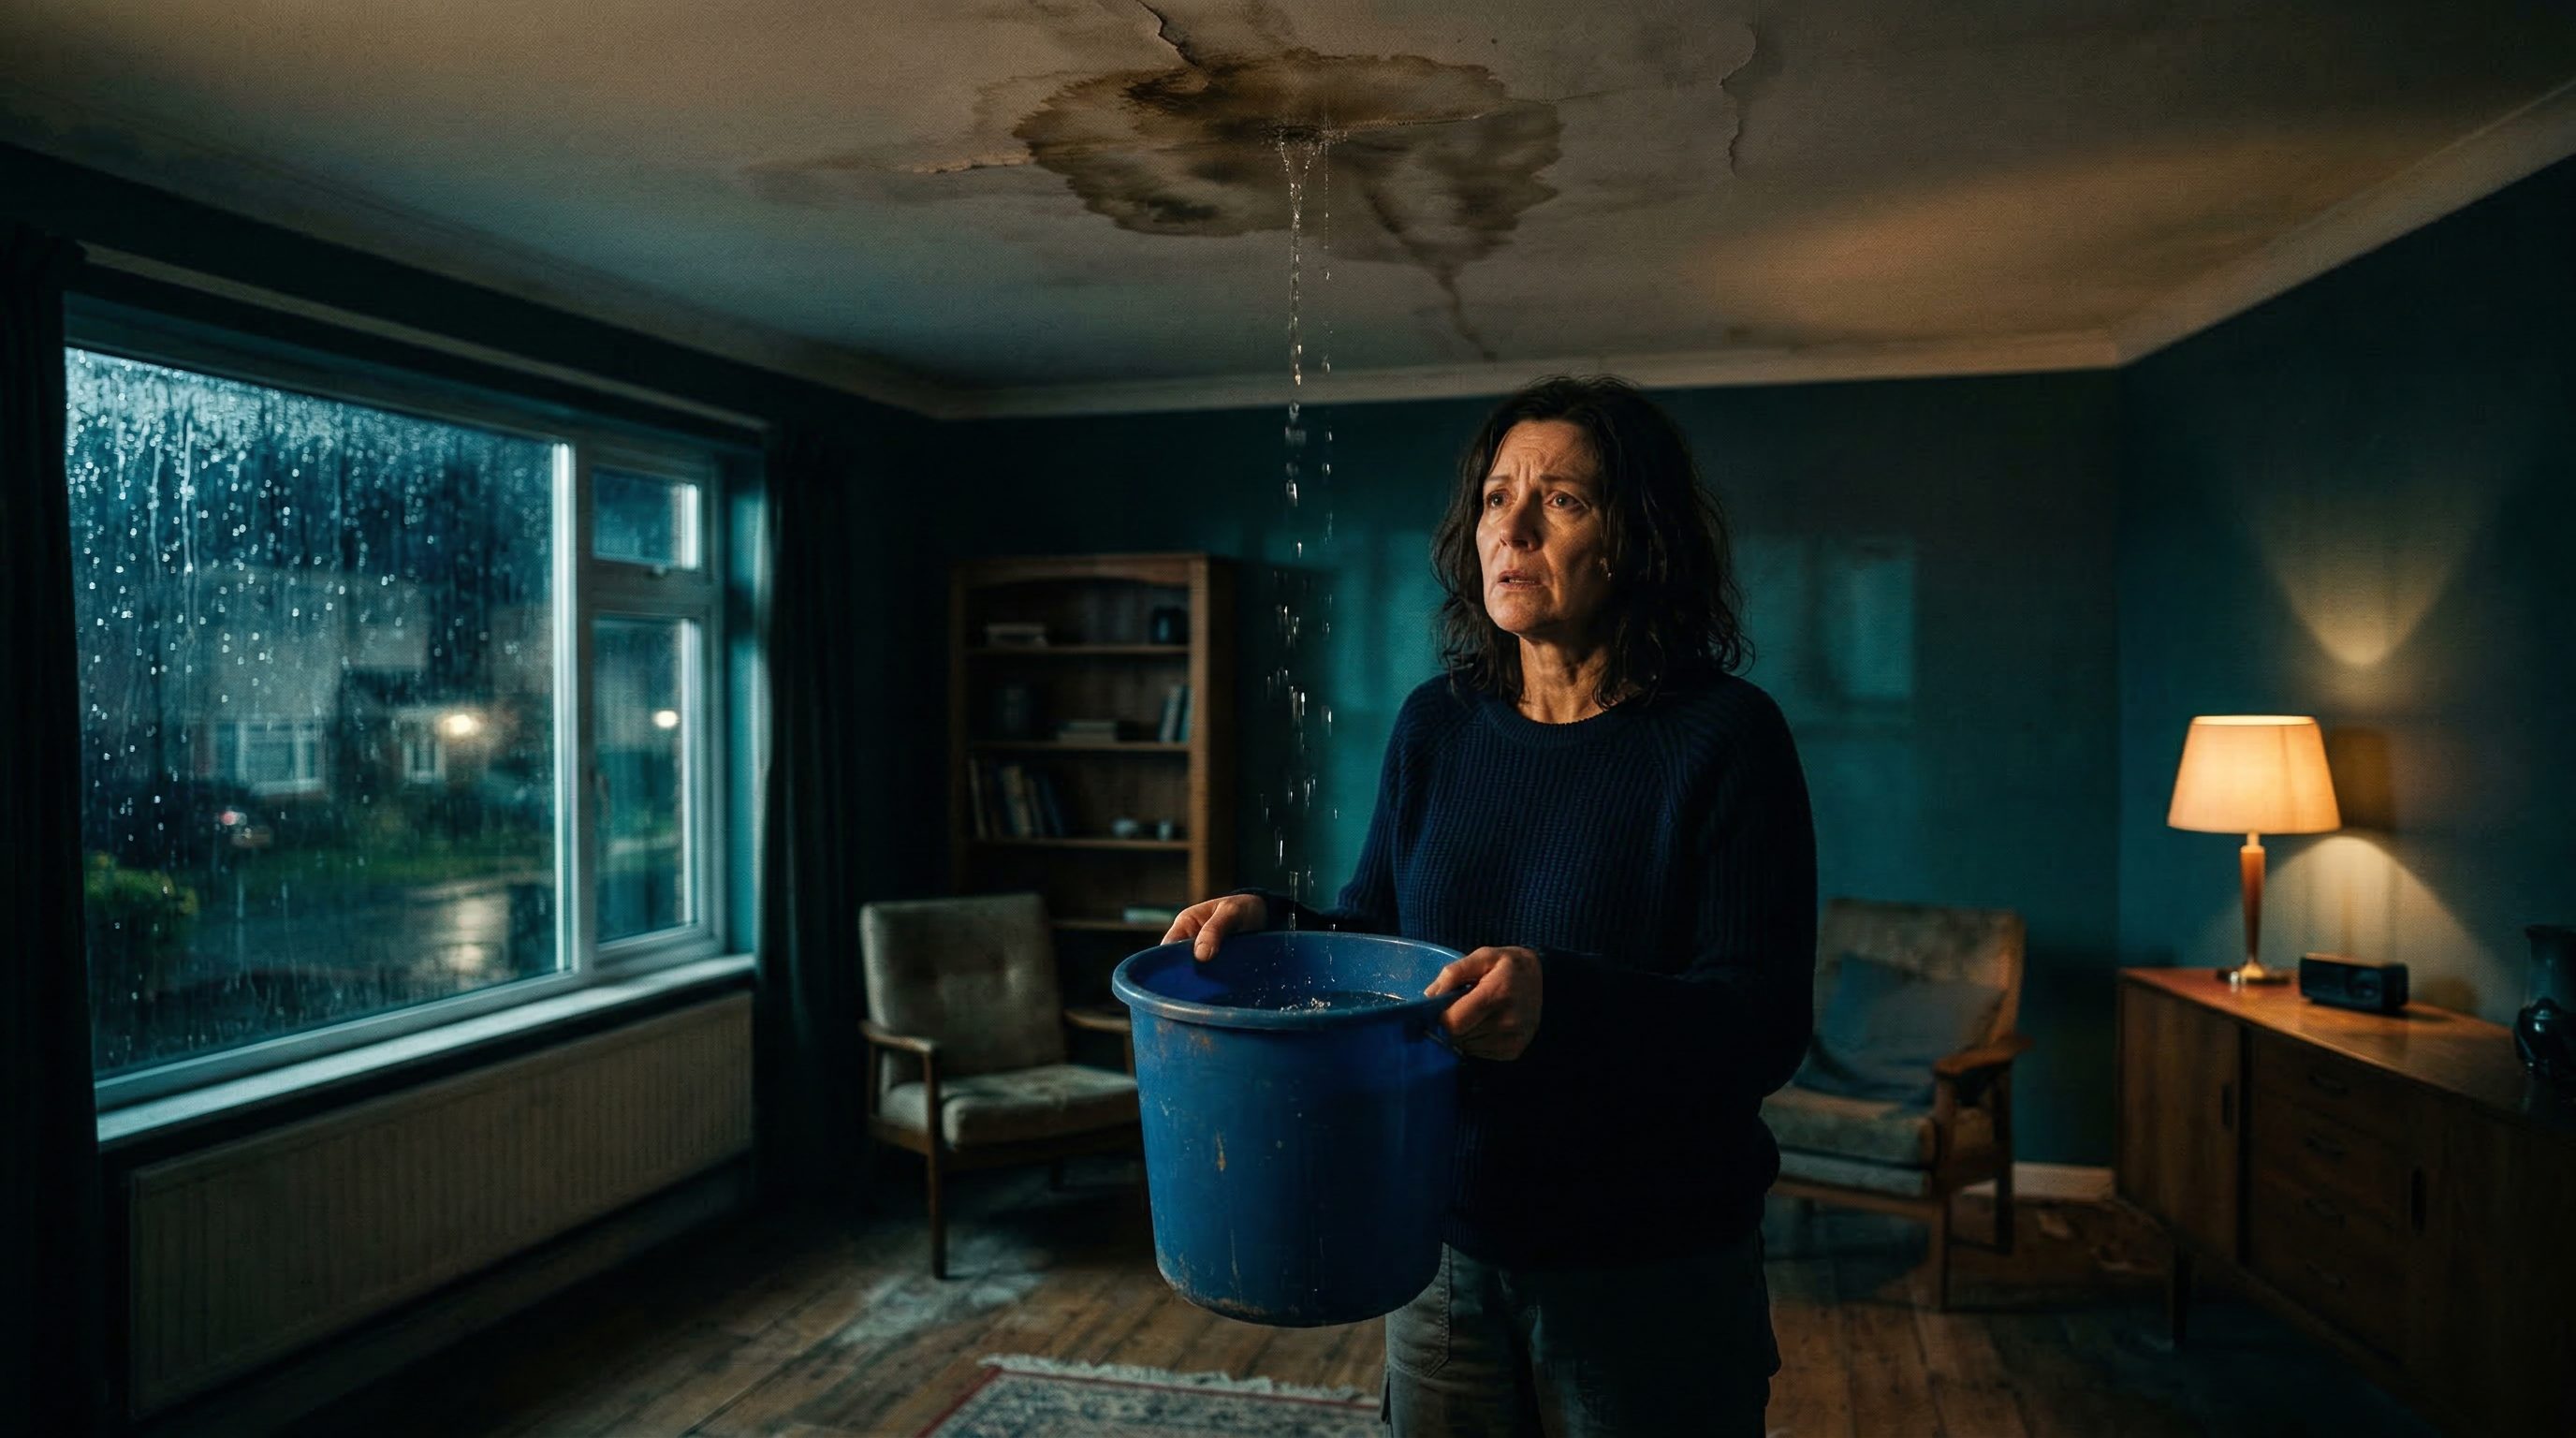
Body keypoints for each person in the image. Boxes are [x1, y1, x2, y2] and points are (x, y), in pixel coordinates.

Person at [1162, 374, 1816, 1437]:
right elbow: (1380, 944)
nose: (1508, 527)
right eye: (1495, 497)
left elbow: (1763, 1025)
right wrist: (1271, 925)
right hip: (1442, 1249)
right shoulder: (1438, 725)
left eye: (1561, 500)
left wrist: (1560, 1005)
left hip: (1649, 1267)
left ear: (1634, 539)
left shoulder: (1725, 739)